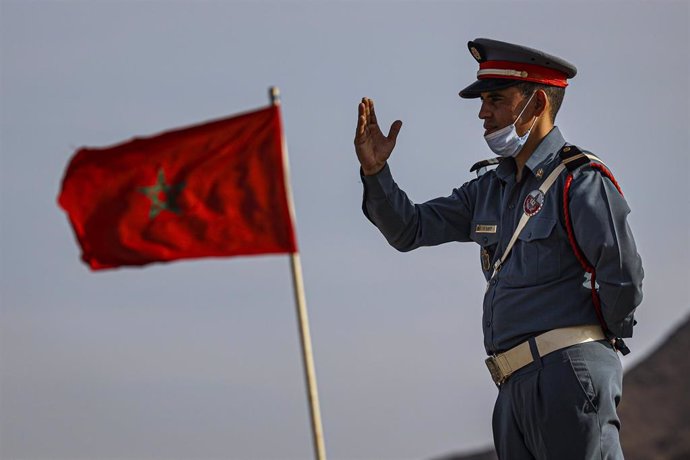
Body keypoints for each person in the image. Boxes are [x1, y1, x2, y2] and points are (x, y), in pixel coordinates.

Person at [354, 38, 644, 460]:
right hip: (512, 386)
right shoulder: (489, 189)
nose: (482, 113)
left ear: (538, 102)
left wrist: (590, 345)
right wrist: (375, 172)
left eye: (495, 99)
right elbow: (409, 229)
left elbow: (623, 275)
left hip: (568, 373)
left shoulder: (578, 181)